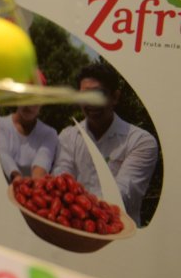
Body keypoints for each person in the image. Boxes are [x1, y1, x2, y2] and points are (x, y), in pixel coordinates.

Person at [52, 63, 159, 226]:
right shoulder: (68, 137)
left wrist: (73, 204)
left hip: (119, 238)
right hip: (72, 233)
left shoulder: (140, 142)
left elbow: (122, 196)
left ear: (115, 97)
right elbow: (59, 181)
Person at [0, 104, 58, 183]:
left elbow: (43, 160)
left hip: (31, 191)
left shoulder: (50, 133)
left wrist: (34, 185)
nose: (29, 105)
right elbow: (3, 154)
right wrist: (17, 178)